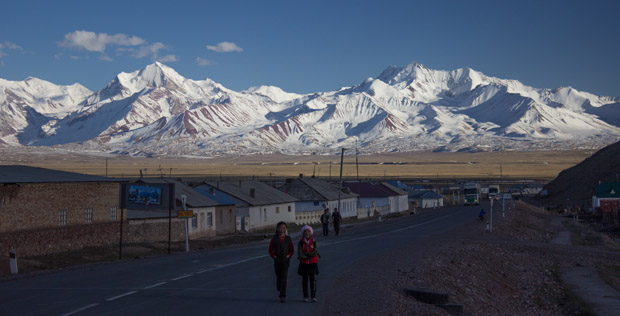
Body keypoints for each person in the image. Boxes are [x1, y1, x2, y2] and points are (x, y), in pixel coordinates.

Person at [268, 221, 294, 303]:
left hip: (285, 261)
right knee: (279, 277)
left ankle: (283, 295)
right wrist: (273, 256)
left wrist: (289, 255)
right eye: (280, 228)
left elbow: (291, 250)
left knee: (284, 278)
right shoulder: (274, 239)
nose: (282, 230)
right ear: (277, 229)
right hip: (277, 261)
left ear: (286, 229)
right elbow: (270, 250)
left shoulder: (288, 239)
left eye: (283, 228)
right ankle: (279, 286)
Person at [297, 225, 319, 302]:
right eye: (305, 231)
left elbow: (315, 252)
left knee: (313, 280)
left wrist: (307, 254)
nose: (307, 233)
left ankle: (313, 296)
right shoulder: (300, 242)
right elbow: (300, 253)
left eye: (308, 231)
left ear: (311, 232)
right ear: (303, 233)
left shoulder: (314, 241)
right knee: (304, 281)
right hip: (304, 264)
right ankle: (305, 296)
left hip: (313, 263)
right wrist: (308, 256)